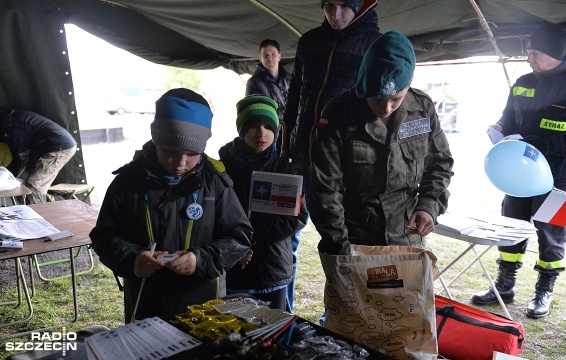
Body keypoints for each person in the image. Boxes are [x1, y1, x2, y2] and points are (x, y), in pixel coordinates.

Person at [90, 88, 252, 322]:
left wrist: (201, 260)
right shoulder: (127, 182)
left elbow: (239, 235)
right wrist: (132, 259)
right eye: (170, 151)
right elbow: (105, 234)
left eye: (192, 153)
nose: (180, 162)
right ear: (156, 140)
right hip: (146, 303)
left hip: (204, 303)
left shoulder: (215, 183)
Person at [471, 23, 566, 319]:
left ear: (554, 53)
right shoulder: (523, 81)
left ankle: (544, 290)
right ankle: (504, 285)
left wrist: (538, 144)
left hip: (560, 179)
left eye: (534, 52)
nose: (529, 58)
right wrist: (500, 128)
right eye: (528, 52)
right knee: (510, 227)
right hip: (516, 176)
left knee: (551, 233)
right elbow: (508, 117)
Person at [310, 30, 454, 254]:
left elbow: (440, 164)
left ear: (409, 84)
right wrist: (341, 246)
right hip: (354, 239)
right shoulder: (338, 115)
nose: (386, 108)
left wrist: (429, 206)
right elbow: (325, 190)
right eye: (377, 98)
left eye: (396, 99)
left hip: (406, 238)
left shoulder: (422, 108)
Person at [281, 0, 380, 312]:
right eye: (329, 6)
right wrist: (285, 149)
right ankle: (280, 312)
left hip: (343, 168)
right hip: (299, 159)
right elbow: (294, 97)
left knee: (341, 247)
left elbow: (381, 111)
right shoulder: (308, 42)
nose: (336, 15)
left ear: (361, 7)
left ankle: (337, 320)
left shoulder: (375, 46)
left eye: (344, 7)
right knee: (283, 240)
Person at [219, 95, 308, 310]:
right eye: (253, 126)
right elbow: (216, 214)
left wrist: (253, 234)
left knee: (274, 330)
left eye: (268, 126)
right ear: (241, 129)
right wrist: (236, 244)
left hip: (272, 266)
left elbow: (297, 217)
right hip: (233, 266)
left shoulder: (285, 167)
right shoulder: (222, 168)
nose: (261, 133)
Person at [0, 109, 77, 204]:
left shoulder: (14, 126)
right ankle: (50, 207)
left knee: (35, 185)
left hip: (59, 147)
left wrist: (10, 177)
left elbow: (22, 157)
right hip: (61, 144)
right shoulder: (11, 118)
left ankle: (40, 216)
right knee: (39, 185)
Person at [245, 39, 291, 123]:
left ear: (279, 56)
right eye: (265, 55)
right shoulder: (254, 83)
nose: (269, 58)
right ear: (260, 57)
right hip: (270, 129)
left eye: (273, 54)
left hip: (292, 129)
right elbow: (254, 112)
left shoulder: (290, 79)